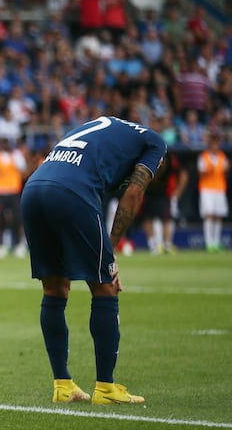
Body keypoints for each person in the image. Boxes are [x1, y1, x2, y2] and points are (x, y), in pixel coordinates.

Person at [20, 115, 166, 405]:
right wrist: (110, 250)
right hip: (72, 193)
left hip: (33, 189)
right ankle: (106, 388)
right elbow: (134, 193)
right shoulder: (155, 143)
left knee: (55, 288)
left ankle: (62, 385)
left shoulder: (99, 126)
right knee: (105, 286)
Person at [140, 149, 188, 254]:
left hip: (164, 192)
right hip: (148, 191)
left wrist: (177, 192)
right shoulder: (146, 156)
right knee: (148, 218)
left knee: (166, 218)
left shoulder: (171, 159)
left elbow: (183, 175)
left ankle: (167, 244)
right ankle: (153, 245)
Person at [197, 131, 229, 252]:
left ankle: (216, 242)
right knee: (209, 214)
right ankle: (209, 242)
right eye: (213, 143)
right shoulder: (203, 156)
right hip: (207, 189)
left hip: (220, 188)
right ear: (210, 144)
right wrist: (210, 169)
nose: (216, 146)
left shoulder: (222, 157)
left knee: (218, 215)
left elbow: (225, 171)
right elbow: (201, 173)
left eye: (217, 143)